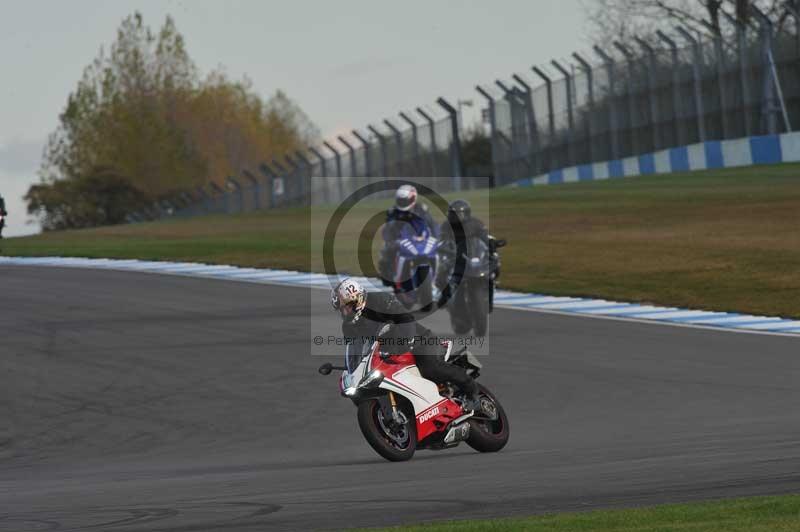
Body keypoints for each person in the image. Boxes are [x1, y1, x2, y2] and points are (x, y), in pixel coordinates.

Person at [331, 277, 480, 410]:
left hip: (417, 340)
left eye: (348, 306)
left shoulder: (380, 300)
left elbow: (405, 318)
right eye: (342, 309)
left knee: (430, 368)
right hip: (385, 355)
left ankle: (471, 390)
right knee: (364, 386)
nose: (345, 312)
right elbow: (354, 349)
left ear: (358, 299)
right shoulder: (348, 326)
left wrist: (406, 342)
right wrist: (351, 368)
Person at [378, 185, 438, 285]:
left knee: (440, 251)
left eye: (405, 200)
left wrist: (436, 237)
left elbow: (432, 224)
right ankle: (390, 276)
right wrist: (390, 241)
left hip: (421, 239)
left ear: (413, 198)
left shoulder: (422, 209)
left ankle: (439, 277)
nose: (402, 203)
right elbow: (387, 229)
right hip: (401, 240)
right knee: (386, 251)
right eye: (400, 200)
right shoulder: (393, 211)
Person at [436, 199, 499, 293]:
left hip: (474, 252)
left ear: (466, 213)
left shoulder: (476, 223)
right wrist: (442, 246)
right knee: (442, 267)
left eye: (457, 214)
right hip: (454, 254)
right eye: (452, 214)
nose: (454, 217)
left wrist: (491, 242)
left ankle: (491, 279)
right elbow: (441, 238)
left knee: (494, 257)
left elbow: (484, 235)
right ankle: (444, 288)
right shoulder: (446, 225)